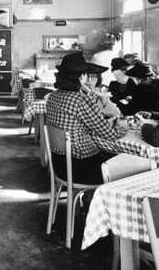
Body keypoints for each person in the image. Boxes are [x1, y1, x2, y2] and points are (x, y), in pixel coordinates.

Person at [45, 53, 123, 184]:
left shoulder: (53, 96)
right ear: (82, 76)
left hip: (60, 165)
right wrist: (123, 126)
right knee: (123, 160)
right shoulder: (80, 100)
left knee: (107, 153)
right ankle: (96, 199)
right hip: (81, 168)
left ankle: (86, 197)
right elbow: (111, 134)